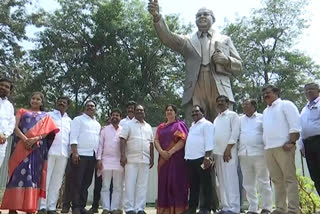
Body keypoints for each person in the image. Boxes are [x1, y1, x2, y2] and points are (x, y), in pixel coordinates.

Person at [148, 1, 242, 123]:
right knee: (196, 125)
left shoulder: (225, 40)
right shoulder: (188, 41)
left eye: (205, 14)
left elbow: (239, 67)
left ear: (213, 19)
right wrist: (157, 16)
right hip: (195, 87)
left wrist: (226, 60)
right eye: (198, 15)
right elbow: (168, 38)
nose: (202, 16)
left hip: (219, 86)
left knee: (223, 123)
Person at [1, 91, 59, 213]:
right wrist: (25, 139)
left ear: (42, 102)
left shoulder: (46, 116)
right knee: (17, 175)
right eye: (33, 98)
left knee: (32, 177)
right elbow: (14, 127)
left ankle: (30, 207)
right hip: (20, 147)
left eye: (38, 99)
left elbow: (49, 132)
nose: (35, 101)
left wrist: (35, 139)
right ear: (30, 100)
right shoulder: (22, 111)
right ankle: (12, 208)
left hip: (35, 151)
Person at [262, 85, 300, 214]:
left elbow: (295, 124)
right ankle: (280, 208)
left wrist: (292, 142)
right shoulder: (265, 111)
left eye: (268, 92)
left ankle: (293, 209)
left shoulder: (286, 104)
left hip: (284, 147)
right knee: (277, 180)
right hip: (269, 149)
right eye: (264, 94)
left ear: (276, 92)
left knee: (289, 178)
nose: (266, 95)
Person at [38, 96, 72, 214]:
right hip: (49, 151)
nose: (62, 103)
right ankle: (41, 206)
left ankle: (51, 207)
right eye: (60, 102)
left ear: (68, 106)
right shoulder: (49, 115)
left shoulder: (69, 120)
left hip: (63, 154)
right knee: (45, 180)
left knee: (57, 182)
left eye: (64, 102)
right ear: (56, 103)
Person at [238, 99, 273, 214]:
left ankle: (267, 207)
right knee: (248, 183)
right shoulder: (240, 120)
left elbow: (268, 133)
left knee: (263, 180)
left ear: (253, 106)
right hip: (244, 154)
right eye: (243, 105)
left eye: (246, 104)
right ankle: (253, 207)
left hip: (259, 154)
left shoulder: (262, 117)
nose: (244, 106)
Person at [120, 105, 154, 214]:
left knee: (142, 185)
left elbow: (151, 143)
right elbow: (122, 140)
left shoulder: (148, 126)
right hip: (131, 160)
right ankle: (129, 208)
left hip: (145, 160)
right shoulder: (128, 125)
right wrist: (123, 155)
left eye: (141, 110)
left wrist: (152, 158)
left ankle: (140, 208)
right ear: (134, 112)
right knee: (129, 184)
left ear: (144, 112)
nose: (140, 111)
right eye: (137, 110)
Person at [155, 104, 189, 214]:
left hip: (176, 160)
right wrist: (161, 152)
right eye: (167, 110)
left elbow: (182, 140)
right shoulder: (161, 127)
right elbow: (156, 141)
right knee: (164, 184)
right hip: (163, 160)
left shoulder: (179, 125)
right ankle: (164, 210)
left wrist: (170, 152)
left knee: (176, 184)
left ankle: (178, 210)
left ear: (175, 113)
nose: (169, 112)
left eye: (171, 110)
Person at [70, 100, 101, 214]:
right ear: (84, 108)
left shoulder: (97, 124)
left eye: (92, 106)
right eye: (88, 106)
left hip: (92, 156)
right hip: (80, 155)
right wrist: (74, 152)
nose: (90, 108)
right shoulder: (78, 120)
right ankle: (75, 207)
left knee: (86, 182)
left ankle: (82, 206)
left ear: (95, 109)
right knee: (77, 181)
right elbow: (73, 136)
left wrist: (98, 157)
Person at [183, 105, 214, 214]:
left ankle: (205, 208)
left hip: (202, 158)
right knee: (193, 185)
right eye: (193, 112)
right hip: (191, 159)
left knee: (206, 185)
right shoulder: (192, 126)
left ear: (202, 113)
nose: (194, 114)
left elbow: (209, 141)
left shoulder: (207, 125)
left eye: (197, 112)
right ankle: (192, 208)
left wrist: (207, 157)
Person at [213, 95, 240, 214]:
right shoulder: (216, 119)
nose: (219, 103)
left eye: (222, 101)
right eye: (218, 102)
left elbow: (235, 133)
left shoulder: (233, 116)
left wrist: (228, 149)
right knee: (222, 182)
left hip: (229, 153)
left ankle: (234, 208)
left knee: (231, 180)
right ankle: (225, 206)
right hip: (218, 154)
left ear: (227, 103)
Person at [97, 108, 123, 214]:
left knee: (117, 186)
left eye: (117, 115)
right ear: (110, 117)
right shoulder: (104, 130)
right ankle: (106, 208)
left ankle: (114, 208)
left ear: (120, 118)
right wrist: (99, 159)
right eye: (113, 115)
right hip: (106, 161)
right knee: (105, 186)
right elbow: (100, 145)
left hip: (119, 162)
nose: (115, 117)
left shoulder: (123, 130)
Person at [299, 83, 320, 195]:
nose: (309, 92)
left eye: (311, 89)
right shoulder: (304, 109)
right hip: (308, 144)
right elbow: (302, 128)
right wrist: (301, 146)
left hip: (318, 141)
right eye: (306, 90)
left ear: (318, 90)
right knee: (315, 175)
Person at [0, 77, 15, 168]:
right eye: (1, 85)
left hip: (1, 143)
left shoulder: (10, 106)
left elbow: (11, 123)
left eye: (7, 87)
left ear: (9, 90)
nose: (3, 87)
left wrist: (4, 135)